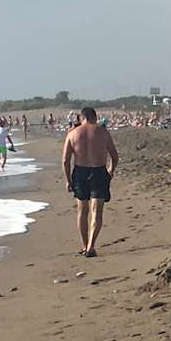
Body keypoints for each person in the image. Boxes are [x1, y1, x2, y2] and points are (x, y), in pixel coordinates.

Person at [62, 107, 120, 257]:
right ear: (95, 117)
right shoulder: (103, 132)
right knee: (97, 211)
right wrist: (110, 171)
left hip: (80, 173)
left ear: (82, 118)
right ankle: (91, 246)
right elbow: (114, 156)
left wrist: (68, 180)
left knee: (82, 211)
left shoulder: (73, 134)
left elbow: (65, 160)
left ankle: (84, 245)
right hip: (99, 172)